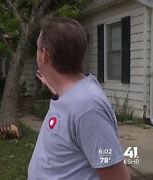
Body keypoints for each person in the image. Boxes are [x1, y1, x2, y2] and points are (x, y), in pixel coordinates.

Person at [28, 17, 130, 180]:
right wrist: (53, 84)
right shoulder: (72, 94)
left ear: (45, 54)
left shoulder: (88, 108)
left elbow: (117, 176)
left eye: (37, 47)